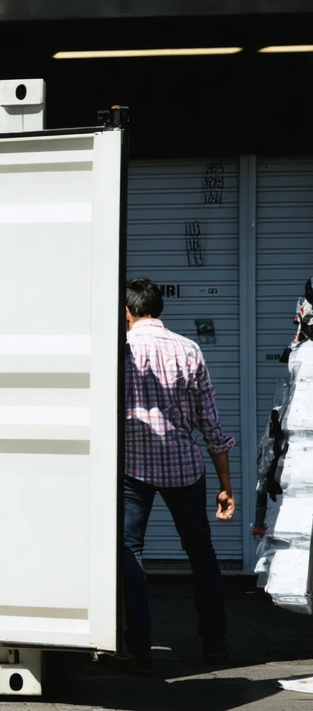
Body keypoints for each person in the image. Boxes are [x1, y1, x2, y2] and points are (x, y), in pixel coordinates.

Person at [115, 278, 235, 676]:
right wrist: (225, 485)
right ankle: (214, 643)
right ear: (158, 309)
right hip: (185, 467)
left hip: (133, 467)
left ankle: (139, 648)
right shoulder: (189, 349)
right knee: (201, 551)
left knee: (130, 550)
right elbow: (210, 424)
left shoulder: (122, 351)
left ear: (128, 312)